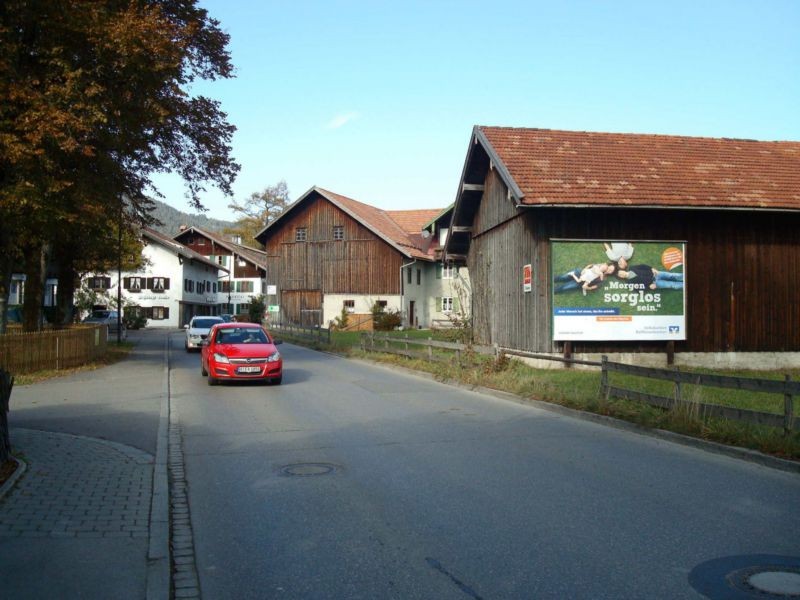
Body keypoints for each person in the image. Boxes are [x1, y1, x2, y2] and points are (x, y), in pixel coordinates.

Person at [615, 264, 683, 289]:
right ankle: (685, 286)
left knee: (672, 275)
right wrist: (649, 286)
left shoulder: (632, 268)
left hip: (655, 273)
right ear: (621, 277)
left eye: (620, 272)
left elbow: (643, 266)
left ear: (622, 270)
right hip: (654, 283)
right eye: (620, 275)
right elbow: (640, 289)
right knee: (672, 285)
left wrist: (652, 268)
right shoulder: (629, 283)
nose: (621, 274)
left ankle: (685, 277)